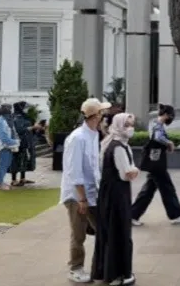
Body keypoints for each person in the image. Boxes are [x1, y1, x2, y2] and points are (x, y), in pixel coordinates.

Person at [59, 98, 111, 283]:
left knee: (104, 229)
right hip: (76, 195)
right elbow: (75, 171)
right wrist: (82, 199)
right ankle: (76, 268)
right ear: (95, 115)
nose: (105, 117)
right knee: (78, 233)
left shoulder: (94, 134)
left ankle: (105, 265)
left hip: (91, 192)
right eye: (102, 113)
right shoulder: (77, 138)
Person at [92, 113, 139, 286]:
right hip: (117, 195)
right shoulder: (118, 147)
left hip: (110, 194)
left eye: (131, 124)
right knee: (120, 232)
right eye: (127, 125)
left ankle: (110, 271)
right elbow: (125, 174)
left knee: (111, 232)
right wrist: (135, 171)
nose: (130, 128)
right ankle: (121, 272)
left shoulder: (111, 144)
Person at [131, 104, 180, 225]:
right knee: (167, 188)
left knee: (148, 190)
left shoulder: (153, 122)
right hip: (157, 163)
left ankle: (133, 215)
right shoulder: (158, 125)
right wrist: (169, 143)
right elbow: (158, 137)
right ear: (165, 115)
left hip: (154, 162)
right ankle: (176, 215)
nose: (171, 118)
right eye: (170, 116)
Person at [10, 101, 41, 186]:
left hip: (25, 142)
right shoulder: (15, 117)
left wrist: (36, 129)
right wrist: (33, 127)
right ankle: (13, 180)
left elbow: (29, 128)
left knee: (24, 159)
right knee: (15, 160)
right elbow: (19, 130)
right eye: (24, 107)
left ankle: (22, 178)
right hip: (17, 143)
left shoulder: (24, 116)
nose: (26, 109)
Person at [0, 104, 19, 191]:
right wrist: (15, 142)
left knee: (6, 165)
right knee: (3, 165)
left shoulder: (7, 120)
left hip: (9, 146)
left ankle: (1, 182)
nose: (11, 111)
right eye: (10, 109)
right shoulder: (1, 120)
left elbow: (11, 132)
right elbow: (3, 137)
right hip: (4, 146)